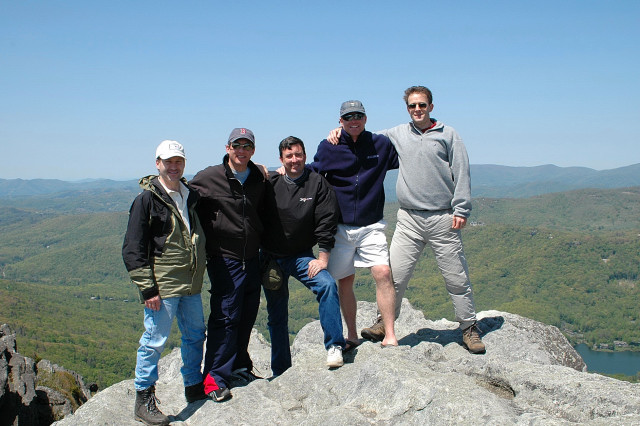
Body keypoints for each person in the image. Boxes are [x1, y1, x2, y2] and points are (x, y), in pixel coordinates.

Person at [359, 86, 486, 354]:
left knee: (456, 279)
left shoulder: (449, 135)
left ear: (431, 106)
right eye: (412, 106)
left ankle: (469, 328)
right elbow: (363, 138)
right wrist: (338, 134)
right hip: (408, 220)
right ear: (407, 108)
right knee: (393, 277)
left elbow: (462, 171)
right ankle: (384, 323)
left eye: (422, 105)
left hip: (443, 218)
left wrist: (461, 209)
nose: (417, 110)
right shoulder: (398, 133)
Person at [122, 140, 208, 425]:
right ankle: (143, 399)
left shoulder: (189, 194)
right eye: (168, 161)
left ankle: (193, 386)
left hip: (191, 284)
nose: (173, 166)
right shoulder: (147, 200)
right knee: (154, 341)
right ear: (157, 163)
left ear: (184, 164)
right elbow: (133, 248)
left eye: (178, 161)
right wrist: (148, 288)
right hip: (163, 284)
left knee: (195, 335)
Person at [311, 100, 399, 348]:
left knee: (383, 272)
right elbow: (312, 170)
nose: (354, 120)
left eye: (358, 115)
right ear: (340, 121)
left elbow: (408, 156)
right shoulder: (329, 146)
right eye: (348, 117)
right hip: (340, 227)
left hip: (372, 223)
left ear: (366, 118)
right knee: (345, 280)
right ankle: (351, 335)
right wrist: (276, 173)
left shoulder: (380, 143)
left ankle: (390, 333)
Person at [190, 128, 266, 402]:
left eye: (247, 146)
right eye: (237, 145)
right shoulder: (209, 178)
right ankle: (213, 379)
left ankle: (237, 366)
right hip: (224, 259)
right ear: (228, 147)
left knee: (246, 314)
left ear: (253, 150)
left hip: (252, 258)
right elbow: (184, 199)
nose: (241, 150)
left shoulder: (258, 176)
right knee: (225, 317)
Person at [262, 136, 346, 375]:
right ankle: (281, 369)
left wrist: (323, 259)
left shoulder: (317, 183)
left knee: (327, 285)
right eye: (289, 156)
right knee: (276, 313)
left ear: (305, 156)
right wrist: (261, 170)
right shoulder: (271, 181)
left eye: (298, 154)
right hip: (270, 258)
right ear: (281, 159)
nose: (294, 160)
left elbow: (327, 221)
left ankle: (335, 346)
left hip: (300, 256)